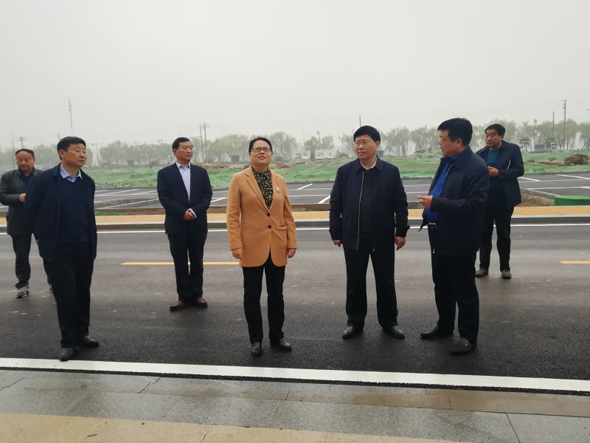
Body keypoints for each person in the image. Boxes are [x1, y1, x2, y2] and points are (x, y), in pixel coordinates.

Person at [329, 125, 409, 340]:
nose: (360, 147)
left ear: (377, 144)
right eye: (357, 143)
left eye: (364, 142)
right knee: (355, 282)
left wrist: (401, 230)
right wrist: (335, 231)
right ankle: (354, 322)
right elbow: (336, 204)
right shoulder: (345, 172)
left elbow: (400, 203)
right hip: (354, 237)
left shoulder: (390, 172)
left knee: (385, 281)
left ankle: (389, 322)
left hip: (382, 237)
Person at [417, 118, 488, 355]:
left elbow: (474, 205)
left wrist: (437, 203)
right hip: (438, 233)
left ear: (459, 141)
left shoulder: (476, 167)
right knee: (442, 284)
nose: (440, 143)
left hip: (459, 237)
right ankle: (445, 326)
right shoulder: (446, 161)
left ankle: (468, 336)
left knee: (463, 289)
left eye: (443, 139)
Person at [25, 137, 99, 362]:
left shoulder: (87, 182)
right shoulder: (44, 180)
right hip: (58, 249)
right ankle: (67, 341)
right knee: (66, 295)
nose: (82, 154)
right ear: (62, 153)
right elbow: (30, 212)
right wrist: (43, 239)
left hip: (84, 246)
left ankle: (82, 333)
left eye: (84, 150)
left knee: (83, 292)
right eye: (77, 150)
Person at [226, 137, 297, 357]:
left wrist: (292, 241)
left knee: (276, 295)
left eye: (266, 149)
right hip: (250, 246)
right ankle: (255, 339)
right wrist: (235, 244)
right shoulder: (239, 179)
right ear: (250, 154)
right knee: (252, 295)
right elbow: (232, 215)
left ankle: (277, 336)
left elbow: (287, 213)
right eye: (257, 149)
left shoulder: (279, 180)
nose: (262, 152)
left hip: (277, 245)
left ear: (271, 154)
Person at [157, 137, 212, 311]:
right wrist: (182, 212)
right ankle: (183, 297)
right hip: (176, 224)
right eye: (185, 148)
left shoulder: (201, 173)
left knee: (197, 261)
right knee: (180, 262)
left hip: (197, 223)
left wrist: (194, 211)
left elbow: (207, 195)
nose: (189, 151)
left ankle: (197, 294)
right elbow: (164, 197)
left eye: (191, 148)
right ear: (175, 151)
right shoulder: (165, 174)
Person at [475, 124, 524, 280]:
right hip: (485, 200)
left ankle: (505, 268)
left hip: (504, 199)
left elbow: (519, 170)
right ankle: (483, 267)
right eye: (487, 135)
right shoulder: (480, 154)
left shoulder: (512, 149)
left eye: (492, 135)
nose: (489, 138)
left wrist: (499, 173)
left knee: (503, 235)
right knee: (484, 235)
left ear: (501, 136)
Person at [0, 149, 50, 298]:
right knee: (21, 256)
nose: (23, 162)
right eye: (19, 160)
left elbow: (52, 195)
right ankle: (22, 285)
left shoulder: (43, 176)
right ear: (16, 160)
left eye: (26, 159)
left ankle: (54, 282)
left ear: (33, 160)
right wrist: (18, 198)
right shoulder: (8, 177)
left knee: (48, 253)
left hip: (41, 221)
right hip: (18, 221)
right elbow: (2, 196)